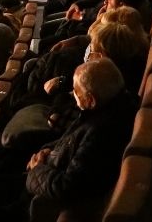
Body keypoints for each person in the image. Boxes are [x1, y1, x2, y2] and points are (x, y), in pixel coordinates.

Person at [25, 59, 138, 218]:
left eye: (76, 92)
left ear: (91, 100)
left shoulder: (100, 133)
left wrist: (37, 169)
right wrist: (47, 150)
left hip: (41, 189)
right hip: (49, 168)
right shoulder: (117, 105)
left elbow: (67, 187)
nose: (73, 95)